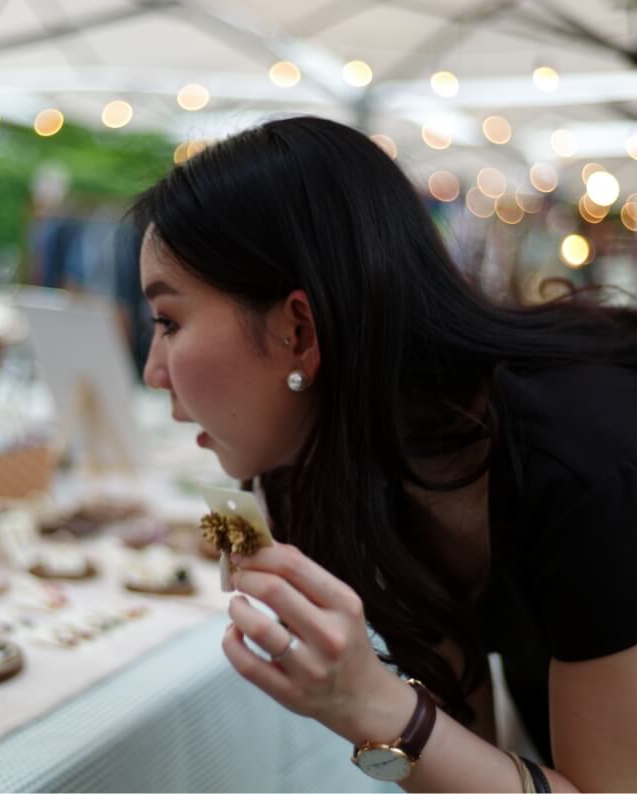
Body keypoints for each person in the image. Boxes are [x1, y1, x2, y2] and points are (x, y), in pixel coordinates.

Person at [130, 116, 637, 792]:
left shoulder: (582, 460)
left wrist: (372, 706)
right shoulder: (330, 479)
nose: (151, 371)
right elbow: (446, 760)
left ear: (298, 332)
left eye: (168, 322)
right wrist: (358, 721)